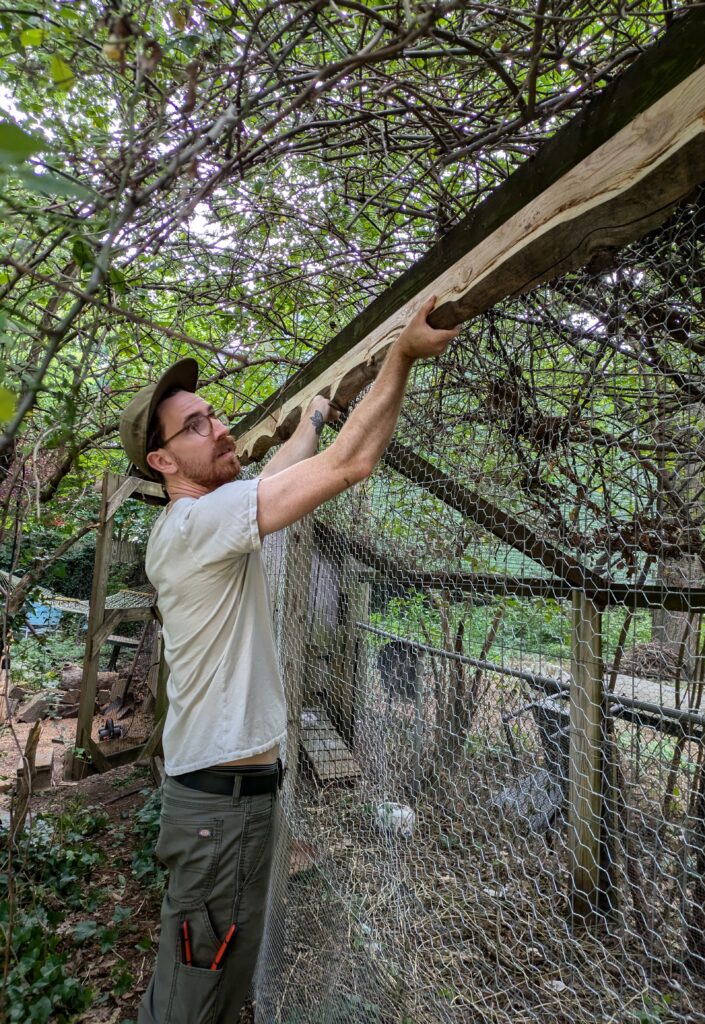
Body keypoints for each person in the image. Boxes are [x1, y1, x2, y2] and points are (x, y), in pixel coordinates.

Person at [118, 296, 459, 1024]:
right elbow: (352, 463)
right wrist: (398, 355)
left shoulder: (200, 521)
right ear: (160, 459)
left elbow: (279, 472)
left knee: (209, 984)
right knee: (190, 999)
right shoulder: (198, 523)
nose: (219, 428)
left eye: (215, 414)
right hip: (219, 811)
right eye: (196, 426)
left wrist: (312, 413)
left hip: (221, 804)